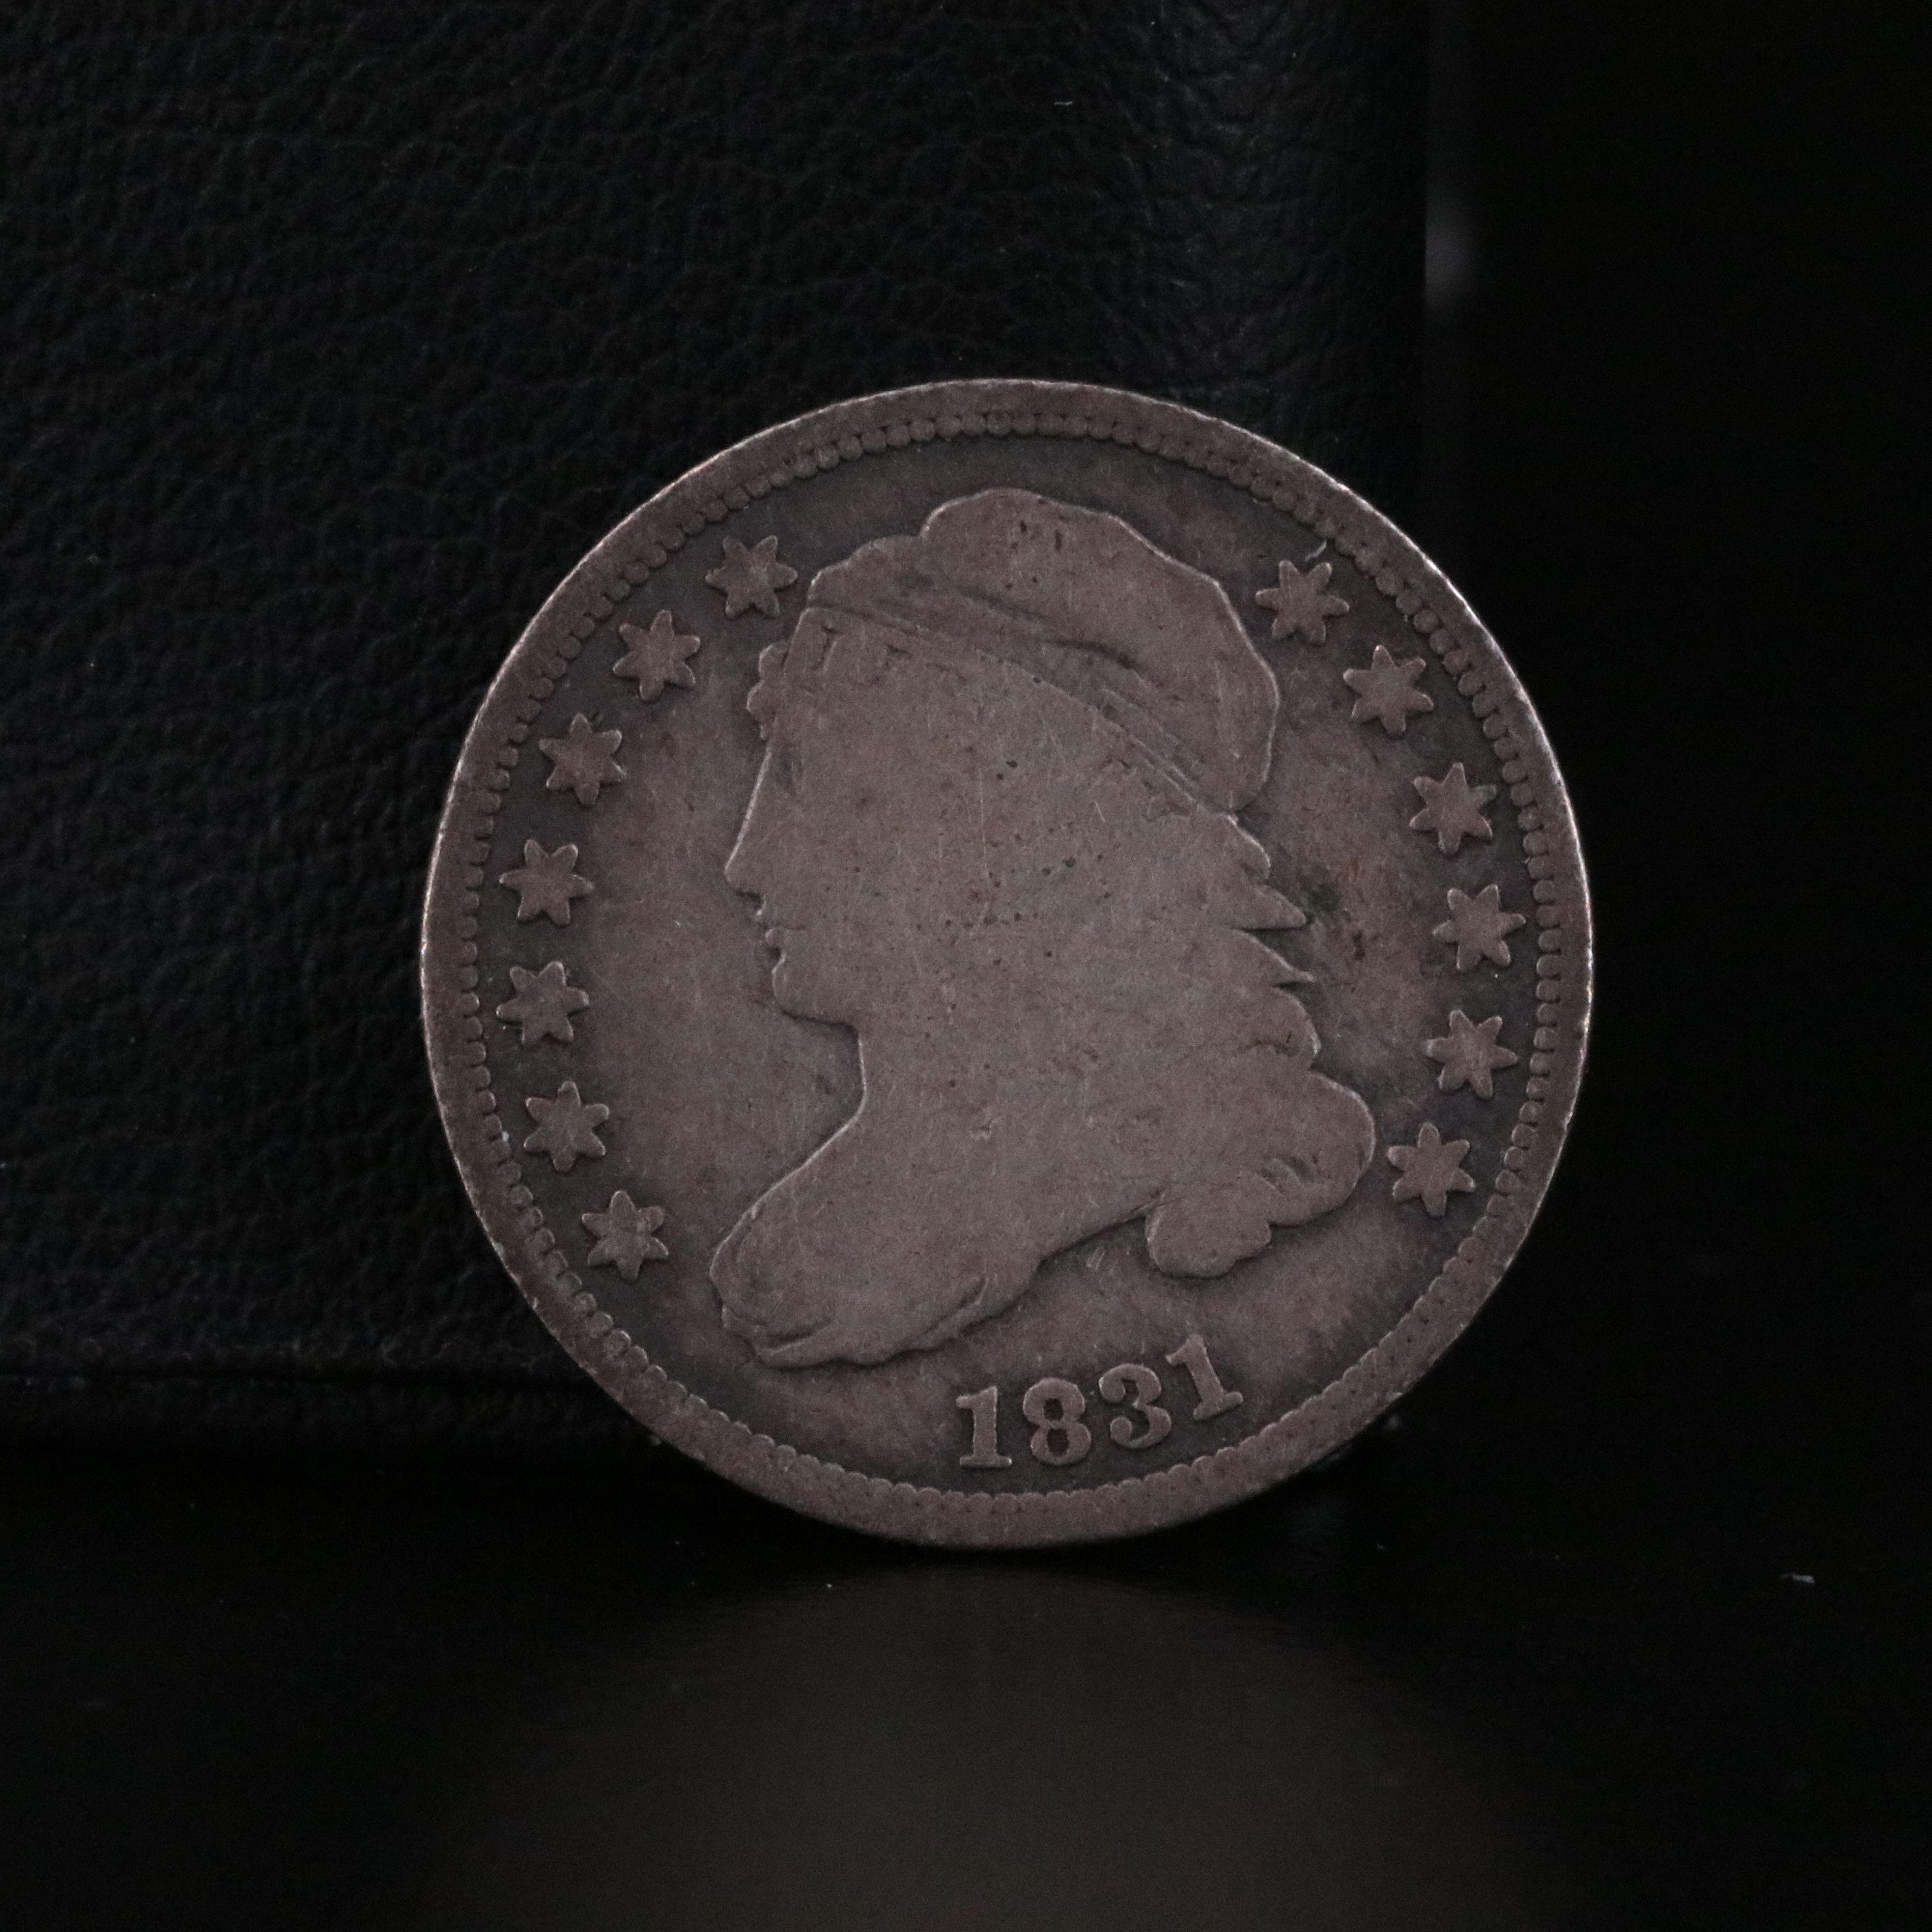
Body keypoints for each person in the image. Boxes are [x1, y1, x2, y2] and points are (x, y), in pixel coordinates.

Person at [710, 489, 1374, 1368]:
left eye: (815, 787)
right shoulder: (811, 1238)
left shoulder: (1210, 1150)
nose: (748, 862)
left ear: (1014, 834)